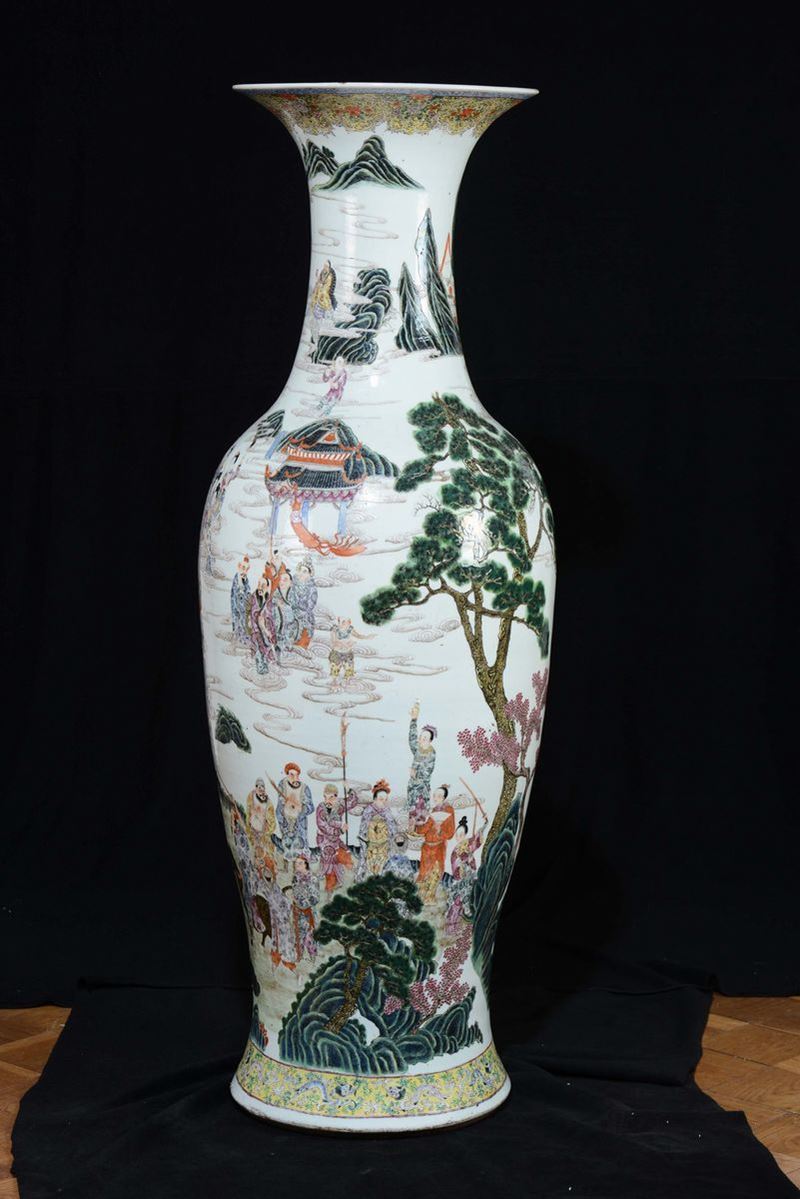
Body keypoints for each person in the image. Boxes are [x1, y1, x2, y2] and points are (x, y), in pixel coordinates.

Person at [444, 814, 486, 937]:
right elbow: (455, 864)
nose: (459, 837)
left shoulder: (468, 844)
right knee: (456, 902)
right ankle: (451, 928)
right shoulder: (456, 850)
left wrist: (485, 824)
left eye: (461, 834)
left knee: (467, 900)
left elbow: (477, 840)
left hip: (469, 877)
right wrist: (463, 863)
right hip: (460, 879)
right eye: (457, 834)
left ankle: (465, 927)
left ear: (465, 834)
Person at [253, 850, 296, 970]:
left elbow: (282, 897)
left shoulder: (275, 885)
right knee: (278, 932)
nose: (269, 877)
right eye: (266, 876)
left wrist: (288, 904)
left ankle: (287, 952)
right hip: (274, 913)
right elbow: (261, 897)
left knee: (286, 929)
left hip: (282, 912)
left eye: (270, 876)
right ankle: (279, 953)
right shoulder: (261, 885)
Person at [414, 784, 456, 903]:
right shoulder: (434, 811)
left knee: (435, 872)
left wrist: (440, 830)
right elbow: (425, 828)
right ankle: (420, 897)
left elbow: (450, 833)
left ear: (444, 798)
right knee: (423, 872)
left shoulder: (448, 810)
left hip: (438, 847)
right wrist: (416, 827)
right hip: (426, 847)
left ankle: (430, 897)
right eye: (434, 795)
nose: (435, 798)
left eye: (438, 796)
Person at [351, 780, 398, 878]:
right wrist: (364, 839)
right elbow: (363, 827)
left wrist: (394, 837)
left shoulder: (387, 811)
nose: (383, 802)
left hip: (384, 842)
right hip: (370, 842)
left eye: (385, 799)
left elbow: (392, 826)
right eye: (381, 799)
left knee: (383, 862)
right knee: (369, 862)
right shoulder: (368, 810)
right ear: (375, 799)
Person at [315, 784, 352, 891]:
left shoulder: (339, 806)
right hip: (324, 840)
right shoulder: (321, 808)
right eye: (325, 797)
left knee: (341, 856)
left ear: (336, 796)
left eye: (331, 797)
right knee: (329, 861)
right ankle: (329, 883)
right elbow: (323, 826)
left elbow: (352, 802)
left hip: (335, 840)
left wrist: (349, 789)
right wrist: (340, 830)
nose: (328, 800)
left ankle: (338, 880)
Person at [276, 763, 314, 866]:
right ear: (287, 774)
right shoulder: (282, 784)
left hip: (299, 824)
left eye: (296, 775)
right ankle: (287, 867)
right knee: (287, 845)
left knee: (300, 846)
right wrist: (282, 817)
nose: (294, 777)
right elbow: (279, 805)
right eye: (291, 774)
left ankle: (303, 868)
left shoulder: (304, 788)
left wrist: (302, 808)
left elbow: (311, 807)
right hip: (286, 822)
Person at [407, 703, 436, 817]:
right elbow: (412, 738)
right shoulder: (418, 749)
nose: (421, 739)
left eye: (425, 738)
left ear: (430, 741)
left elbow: (426, 772)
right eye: (421, 737)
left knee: (421, 814)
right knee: (412, 814)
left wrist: (415, 774)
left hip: (422, 789)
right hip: (413, 787)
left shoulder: (431, 753)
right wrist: (414, 720)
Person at [291, 855, 320, 962]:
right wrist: (295, 901)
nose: (296, 865)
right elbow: (294, 892)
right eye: (296, 863)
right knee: (299, 934)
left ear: (305, 864)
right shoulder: (295, 877)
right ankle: (300, 956)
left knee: (310, 935)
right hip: (297, 910)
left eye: (300, 863)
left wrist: (304, 903)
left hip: (309, 911)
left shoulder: (313, 878)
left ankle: (312, 958)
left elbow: (315, 898)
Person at [328, 615, 372, 686]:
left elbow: (358, 636)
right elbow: (333, 641)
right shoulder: (335, 630)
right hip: (337, 652)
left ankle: (347, 681)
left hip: (347, 652)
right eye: (342, 622)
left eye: (346, 622)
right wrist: (344, 644)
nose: (343, 623)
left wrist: (367, 637)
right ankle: (334, 681)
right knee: (335, 667)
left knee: (349, 667)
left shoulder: (350, 629)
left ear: (349, 622)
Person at [246, 574, 276, 674]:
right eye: (259, 584)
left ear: (267, 587)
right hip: (255, 628)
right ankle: (260, 667)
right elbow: (248, 610)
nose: (260, 587)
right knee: (258, 647)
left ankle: (266, 665)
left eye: (263, 585)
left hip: (265, 629)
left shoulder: (270, 601)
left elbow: (271, 616)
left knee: (266, 647)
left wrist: (266, 628)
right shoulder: (253, 598)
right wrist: (249, 619)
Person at [290, 557, 318, 649]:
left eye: (305, 571)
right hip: (292, 616)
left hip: (305, 618)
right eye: (301, 570)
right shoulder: (292, 585)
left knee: (302, 642)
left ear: (309, 574)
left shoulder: (312, 588)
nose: (301, 573)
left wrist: (302, 612)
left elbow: (311, 604)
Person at [245, 778, 276, 854]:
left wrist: (266, 833)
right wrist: (248, 825)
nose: (261, 789)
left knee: (266, 854)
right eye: (258, 787)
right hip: (252, 831)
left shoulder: (268, 803)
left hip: (263, 834)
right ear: (256, 788)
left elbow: (272, 822)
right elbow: (248, 812)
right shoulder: (251, 796)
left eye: (262, 787)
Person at [230, 556, 251, 642]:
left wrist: (248, 596)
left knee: (244, 619)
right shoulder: (236, 578)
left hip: (243, 603)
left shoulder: (245, 579)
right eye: (243, 568)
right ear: (239, 566)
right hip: (237, 602)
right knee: (237, 618)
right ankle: (238, 635)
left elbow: (248, 589)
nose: (244, 571)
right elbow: (235, 592)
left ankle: (243, 636)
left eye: (246, 569)